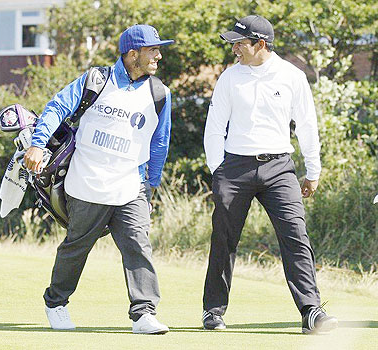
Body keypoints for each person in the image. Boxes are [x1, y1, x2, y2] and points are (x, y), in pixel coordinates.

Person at [23, 24, 174, 334]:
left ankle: (144, 312)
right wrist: (38, 144)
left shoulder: (159, 92)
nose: (159, 55)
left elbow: (160, 140)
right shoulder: (96, 80)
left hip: (131, 186)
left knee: (137, 245)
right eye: (152, 50)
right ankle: (56, 302)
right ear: (133, 54)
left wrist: (152, 184)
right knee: (77, 247)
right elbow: (57, 107)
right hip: (87, 183)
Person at [202, 15, 338, 334]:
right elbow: (214, 128)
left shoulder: (292, 76)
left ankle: (311, 311)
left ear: (260, 45)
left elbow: (307, 126)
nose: (234, 48)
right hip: (234, 167)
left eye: (240, 43)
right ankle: (213, 310)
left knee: (295, 236)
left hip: (280, 168)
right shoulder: (229, 78)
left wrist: (313, 171)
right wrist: (217, 170)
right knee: (224, 238)